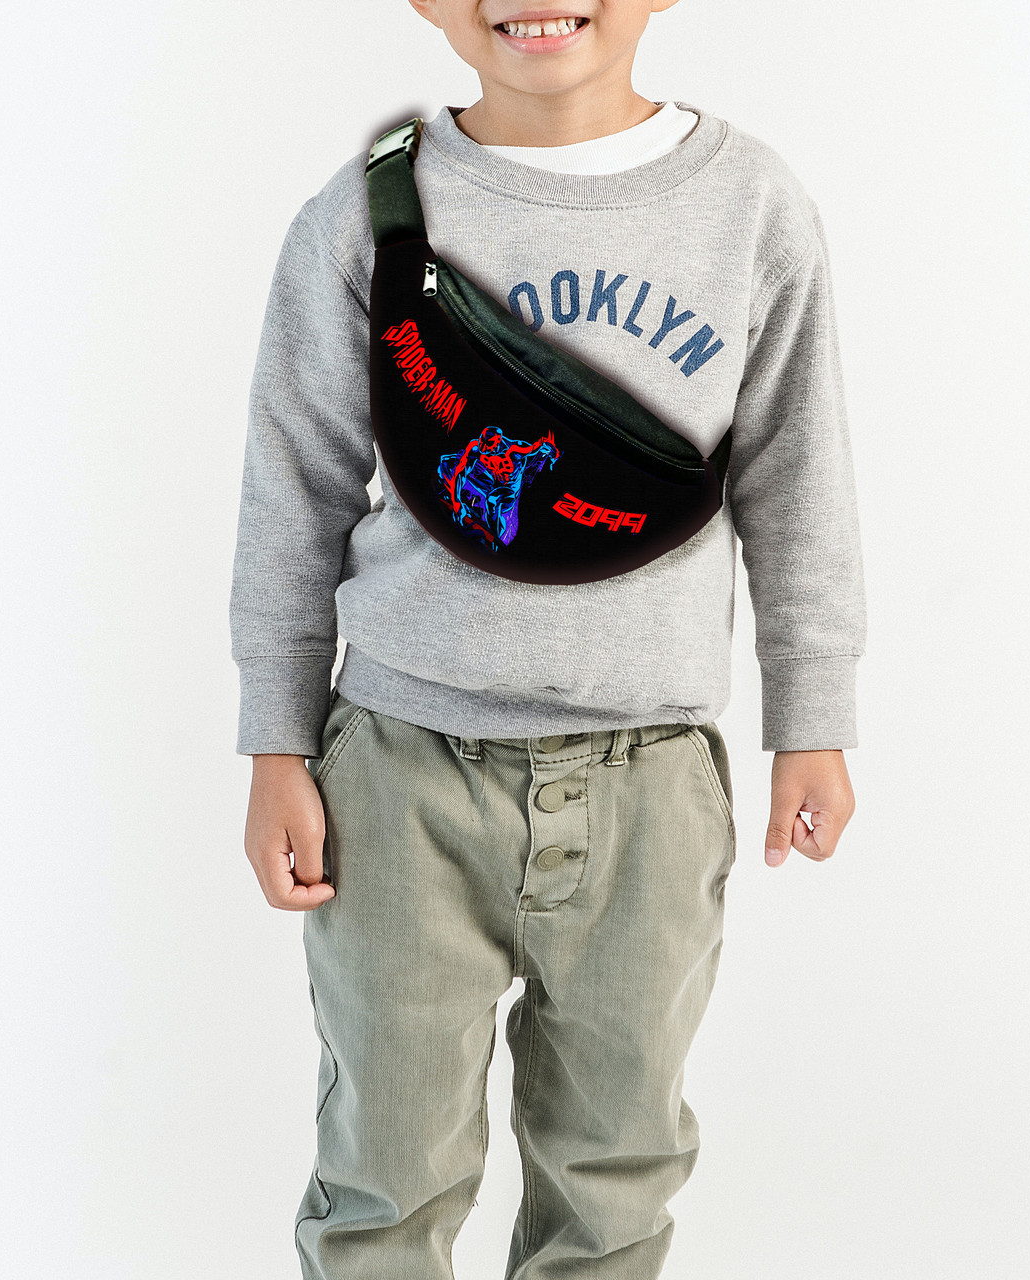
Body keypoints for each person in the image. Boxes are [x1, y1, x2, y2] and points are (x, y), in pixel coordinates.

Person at [230, 2, 867, 1275]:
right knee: (383, 1174)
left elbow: (796, 479)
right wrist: (274, 741)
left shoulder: (750, 205)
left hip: (651, 781)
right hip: (398, 773)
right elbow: (293, 489)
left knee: (614, 1179)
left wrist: (814, 716)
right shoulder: (364, 219)